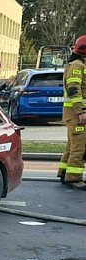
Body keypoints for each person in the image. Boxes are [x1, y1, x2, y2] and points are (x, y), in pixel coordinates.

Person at [59, 34, 86, 189]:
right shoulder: (77, 66)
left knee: (72, 146)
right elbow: (74, 90)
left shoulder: (79, 65)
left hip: (74, 115)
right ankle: (74, 178)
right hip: (77, 115)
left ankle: (64, 173)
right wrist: (81, 112)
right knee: (80, 147)